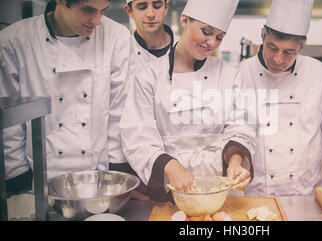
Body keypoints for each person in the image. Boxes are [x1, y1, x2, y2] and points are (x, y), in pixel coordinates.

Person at [119, 0, 256, 202]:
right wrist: (172, 166)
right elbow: (138, 137)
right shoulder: (149, 76)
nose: (211, 43)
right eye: (206, 31)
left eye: (219, 37)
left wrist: (235, 163)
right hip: (173, 186)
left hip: (223, 188)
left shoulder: (230, 75)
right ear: (184, 20)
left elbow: (240, 127)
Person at [0, 0, 133, 196]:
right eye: (87, 10)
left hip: (100, 181)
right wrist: (18, 179)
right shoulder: (14, 41)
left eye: (102, 11)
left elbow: (118, 112)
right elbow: (10, 122)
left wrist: (117, 176)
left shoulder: (116, 37)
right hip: (37, 184)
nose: (97, 21)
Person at [239, 0, 322, 196]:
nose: (277, 59)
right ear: (263, 35)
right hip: (257, 195)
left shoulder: (319, 74)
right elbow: (235, 134)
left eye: (288, 52)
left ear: (301, 46)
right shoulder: (241, 73)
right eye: (272, 47)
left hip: (306, 193)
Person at [110, 0, 179, 200]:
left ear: (166, 6)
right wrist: (121, 178)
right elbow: (114, 119)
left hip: (178, 168)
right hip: (130, 169)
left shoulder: (184, 54)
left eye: (156, 6)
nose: (150, 14)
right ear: (129, 10)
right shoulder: (119, 56)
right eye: (142, 7)